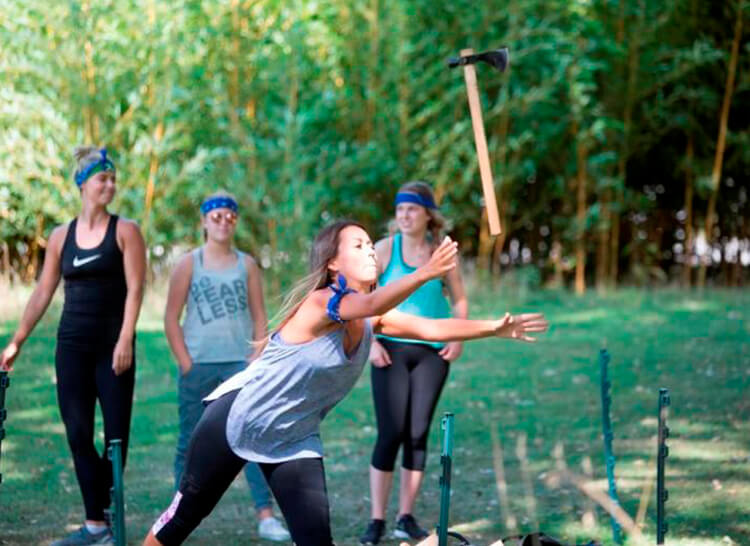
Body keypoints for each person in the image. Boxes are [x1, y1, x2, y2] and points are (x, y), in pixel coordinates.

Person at [142, 220, 548, 546]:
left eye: (371, 243)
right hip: (235, 420)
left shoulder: (372, 319)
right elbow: (370, 302)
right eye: (358, 245)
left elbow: (430, 326)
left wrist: (493, 327)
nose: (370, 249)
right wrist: (426, 272)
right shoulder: (321, 304)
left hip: (292, 440)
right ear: (333, 264)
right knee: (183, 519)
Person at [0, 147, 146, 545]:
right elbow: (43, 292)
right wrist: (17, 342)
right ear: (83, 185)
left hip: (114, 348)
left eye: (113, 179)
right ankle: (96, 523)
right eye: (103, 179)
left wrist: (126, 338)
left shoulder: (126, 230)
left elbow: (136, 288)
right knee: (78, 434)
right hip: (72, 348)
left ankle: (107, 517)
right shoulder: (60, 237)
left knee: (116, 438)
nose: (110, 185)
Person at [163, 191, 289, 541]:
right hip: (198, 365)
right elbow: (171, 318)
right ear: (204, 221)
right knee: (189, 440)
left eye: (229, 216)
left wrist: (256, 356)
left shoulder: (246, 264)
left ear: (235, 221)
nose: (223, 221)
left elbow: (260, 314)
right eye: (215, 216)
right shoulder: (190, 262)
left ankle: (266, 516)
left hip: (238, 364)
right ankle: (176, 514)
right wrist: (185, 362)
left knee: (251, 438)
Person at [361, 181, 467, 544]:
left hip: (432, 354)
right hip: (389, 348)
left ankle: (405, 517)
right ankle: (376, 519)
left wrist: (457, 336)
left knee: (418, 434)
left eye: (412, 209)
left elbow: (461, 301)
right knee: (390, 433)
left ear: (427, 215)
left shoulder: (442, 252)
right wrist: (370, 342)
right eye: (400, 209)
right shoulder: (384, 249)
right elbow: (362, 300)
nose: (404, 215)